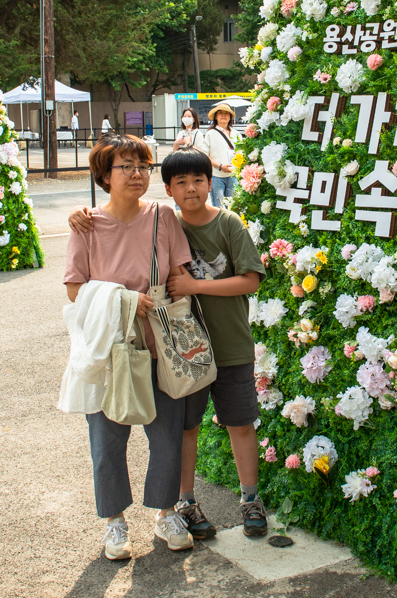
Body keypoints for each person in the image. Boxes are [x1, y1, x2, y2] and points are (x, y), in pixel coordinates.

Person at [70, 149, 269, 538]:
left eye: (198, 180)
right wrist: (81, 214)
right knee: (174, 430)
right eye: (181, 182)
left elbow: (245, 279)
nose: (191, 189)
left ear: (211, 183)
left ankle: (242, 500)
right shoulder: (156, 221)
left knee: (230, 424)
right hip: (166, 348)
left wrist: (194, 286)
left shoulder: (211, 222)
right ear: (169, 189)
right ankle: (175, 505)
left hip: (216, 345)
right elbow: (77, 284)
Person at [63, 133, 197, 561]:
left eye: (143, 166)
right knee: (107, 442)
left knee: (167, 438)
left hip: (161, 345)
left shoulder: (162, 216)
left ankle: (165, 513)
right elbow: (74, 290)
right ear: (105, 175)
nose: (137, 174)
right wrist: (122, 299)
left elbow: (179, 273)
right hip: (111, 350)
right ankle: (114, 521)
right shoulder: (86, 225)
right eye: (126, 166)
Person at [197, 101, 239, 208]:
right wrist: (220, 166)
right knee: (219, 208)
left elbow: (241, 153)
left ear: (230, 117)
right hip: (216, 176)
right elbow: (204, 155)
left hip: (233, 176)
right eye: (220, 113)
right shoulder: (210, 134)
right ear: (215, 116)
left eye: (226, 113)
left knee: (233, 207)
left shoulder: (236, 133)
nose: (223, 115)